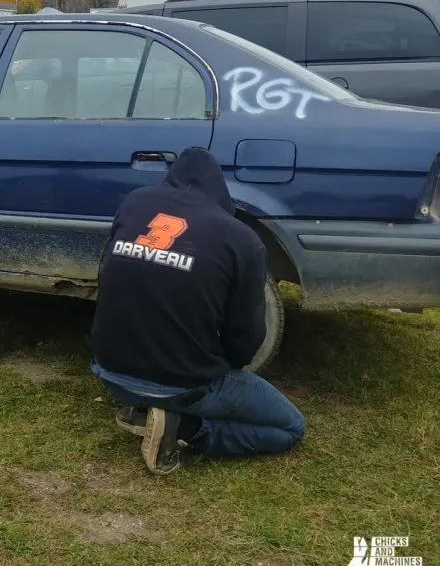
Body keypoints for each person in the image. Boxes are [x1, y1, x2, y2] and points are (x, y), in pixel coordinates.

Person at [90, 147, 305, 475]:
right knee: (291, 428)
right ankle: (183, 427)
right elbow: (246, 336)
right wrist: (222, 369)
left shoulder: (133, 204)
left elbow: (108, 280)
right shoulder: (242, 240)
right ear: (219, 190)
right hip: (183, 386)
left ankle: (141, 408)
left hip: (110, 374)